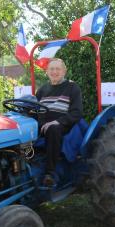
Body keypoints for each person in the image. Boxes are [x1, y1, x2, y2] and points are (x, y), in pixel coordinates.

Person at [36, 58, 83, 186]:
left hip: (63, 124)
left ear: (64, 71)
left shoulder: (72, 87)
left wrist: (57, 122)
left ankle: (50, 173)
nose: (54, 72)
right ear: (47, 71)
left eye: (58, 69)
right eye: (51, 69)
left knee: (53, 129)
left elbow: (76, 112)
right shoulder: (42, 90)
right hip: (42, 124)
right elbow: (34, 109)